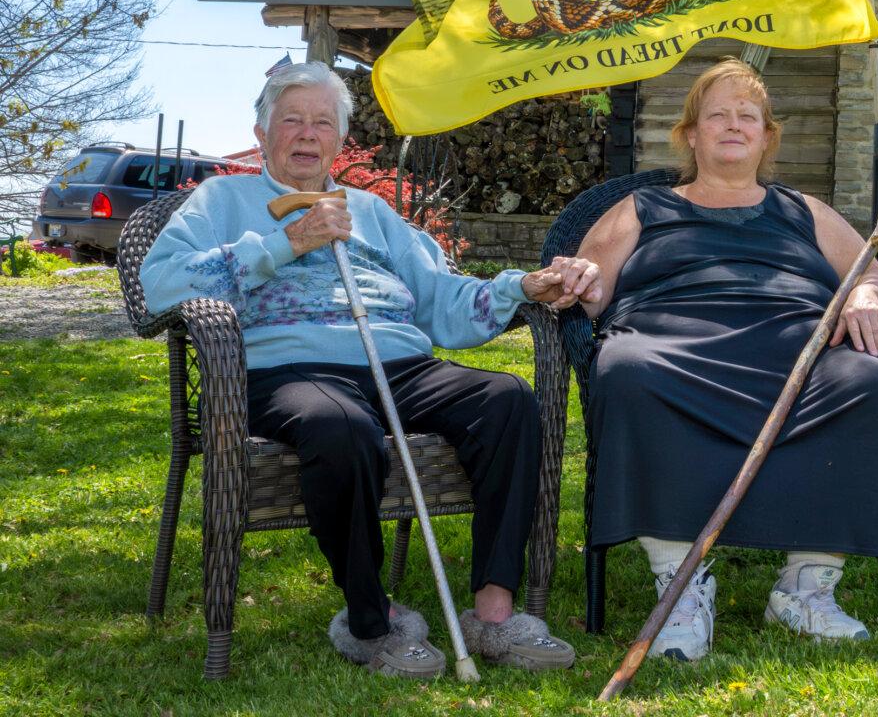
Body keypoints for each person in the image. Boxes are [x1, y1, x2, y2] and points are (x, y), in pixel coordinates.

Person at [140, 61, 598, 679]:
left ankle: (494, 615)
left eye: (322, 123)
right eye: (292, 120)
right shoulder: (220, 200)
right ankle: (371, 623)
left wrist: (523, 285)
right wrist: (286, 242)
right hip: (290, 371)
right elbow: (161, 284)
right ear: (262, 128)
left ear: (338, 139)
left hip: (399, 363)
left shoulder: (373, 212)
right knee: (340, 426)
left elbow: (441, 299)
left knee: (509, 400)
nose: (307, 134)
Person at [562, 58, 878, 661]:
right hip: (672, 352)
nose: (733, 125)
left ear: (766, 134)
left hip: (796, 356)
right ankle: (679, 590)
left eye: (747, 115)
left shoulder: (804, 210)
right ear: (691, 134)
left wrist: (859, 290)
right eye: (716, 115)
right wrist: (578, 280)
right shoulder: (643, 207)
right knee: (626, 371)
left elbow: (874, 272)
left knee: (867, 381)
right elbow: (590, 284)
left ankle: (805, 589)